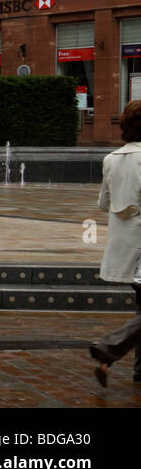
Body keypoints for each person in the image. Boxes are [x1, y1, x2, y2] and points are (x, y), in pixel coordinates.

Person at [89, 101, 141, 387]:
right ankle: (109, 347)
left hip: (125, 247)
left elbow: (103, 203)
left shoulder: (111, 158)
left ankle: (134, 369)